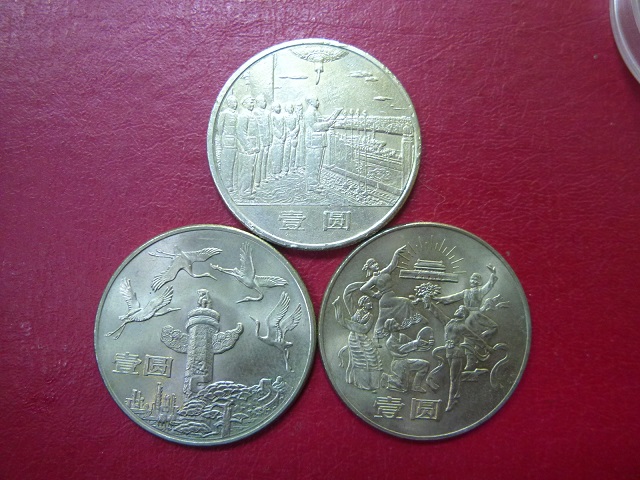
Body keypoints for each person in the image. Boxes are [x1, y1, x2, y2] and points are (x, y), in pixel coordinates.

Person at [360, 245, 425, 340]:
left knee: (382, 318)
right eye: (373, 265)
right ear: (370, 268)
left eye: (375, 263)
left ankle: (376, 336)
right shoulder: (374, 279)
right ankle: (418, 319)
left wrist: (396, 254)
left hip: (391, 296)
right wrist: (374, 294)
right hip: (385, 299)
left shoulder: (384, 271)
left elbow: (392, 265)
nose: (376, 265)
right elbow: (363, 288)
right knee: (405, 301)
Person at [333, 288, 382, 391]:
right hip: (354, 339)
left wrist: (350, 324)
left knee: (372, 358)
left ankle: (373, 384)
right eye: (368, 302)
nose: (371, 304)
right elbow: (351, 323)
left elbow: (365, 329)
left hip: (363, 338)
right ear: (363, 304)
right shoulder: (357, 312)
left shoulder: (370, 316)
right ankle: (362, 384)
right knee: (359, 360)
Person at [381, 318, 433, 393]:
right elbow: (401, 349)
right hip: (398, 364)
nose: (398, 324)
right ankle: (387, 378)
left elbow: (414, 345)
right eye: (395, 323)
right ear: (391, 328)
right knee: (403, 388)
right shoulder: (389, 342)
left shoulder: (403, 336)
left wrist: (427, 344)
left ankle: (416, 386)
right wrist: (415, 343)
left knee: (425, 365)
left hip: (406, 361)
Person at [303, 98, 341, 192]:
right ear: (311, 102)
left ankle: (315, 183)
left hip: (318, 141)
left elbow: (321, 121)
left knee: (317, 164)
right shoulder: (309, 113)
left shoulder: (315, 112)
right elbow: (315, 126)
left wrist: (332, 117)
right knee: (313, 164)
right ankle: (312, 185)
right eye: (316, 100)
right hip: (314, 142)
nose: (318, 102)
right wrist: (328, 124)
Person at [235, 96, 259, 199]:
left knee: (250, 169)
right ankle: (244, 192)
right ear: (244, 104)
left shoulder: (250, 114)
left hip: (252, 147)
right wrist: (248, 147)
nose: (252, 104)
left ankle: (248, 189)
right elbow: (241, 132)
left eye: (253, 103)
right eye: (250, 102)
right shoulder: (244, 115)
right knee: (246, 170)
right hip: (247, 149)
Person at [216, 95, 238, 190]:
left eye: (236, 102)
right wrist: (221, 141)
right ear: (229, 103)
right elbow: (220, 129)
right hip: (227, 141)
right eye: (234, 102)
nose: (235, 104)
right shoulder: (224, 114)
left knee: (233, 163)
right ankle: (226, 184)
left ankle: (233, 183)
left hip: (235, 142)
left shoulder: (236, 114)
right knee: (227, 163)